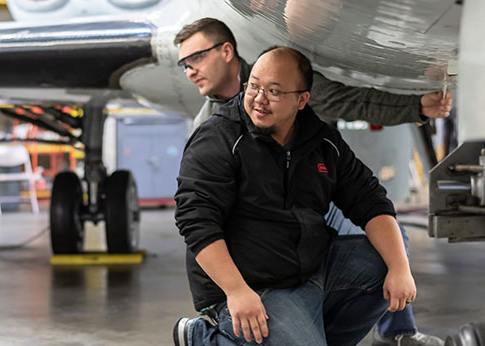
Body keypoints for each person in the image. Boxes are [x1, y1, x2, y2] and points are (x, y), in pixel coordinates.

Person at [173, 17, 448, 346]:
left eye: (273, 92)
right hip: (251, 284)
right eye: (255, 86)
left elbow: (370, 200)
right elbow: (196, 221)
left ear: (301, 100)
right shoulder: (217, 136)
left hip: (308, 267)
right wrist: (236, 291)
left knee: (384, 259)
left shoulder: (320, 140)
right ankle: (203, 338)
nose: (259, 98)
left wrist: (400, 268)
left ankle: (377, 334)